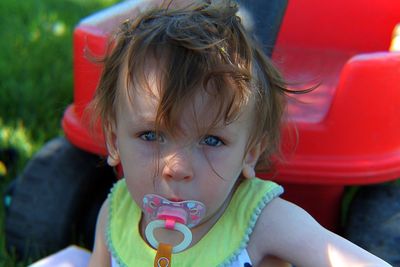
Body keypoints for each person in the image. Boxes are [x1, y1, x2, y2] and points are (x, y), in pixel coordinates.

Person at [88, 0, 392, 266]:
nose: (176, 168)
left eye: (211, 140)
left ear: (250, 152)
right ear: (114, 141)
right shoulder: (116, 215)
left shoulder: (263, 221)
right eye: (151, 135)